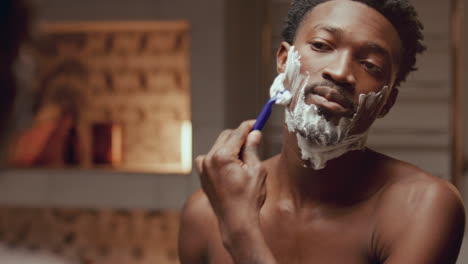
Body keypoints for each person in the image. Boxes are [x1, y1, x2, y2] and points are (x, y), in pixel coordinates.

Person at [178, 0, 466, 263]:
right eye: (321, 45)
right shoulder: (203, 214)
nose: (340, 72)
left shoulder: (422, 207)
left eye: (370, 65)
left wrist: (241, 234)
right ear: (283, 60)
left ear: (386, 102)